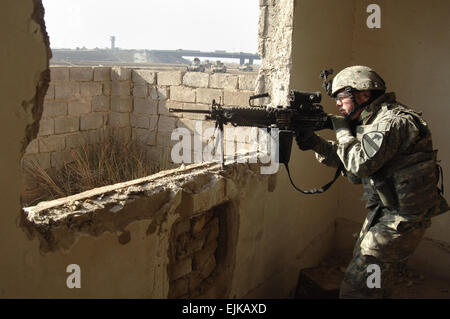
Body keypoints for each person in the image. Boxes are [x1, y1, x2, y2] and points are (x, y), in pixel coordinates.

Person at [296, 65, 449, 298]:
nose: (338, 104)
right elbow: (357, 171)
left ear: (364, 95)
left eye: (341, 97)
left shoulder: (391, 122)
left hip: (401, 219)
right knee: (372, 283)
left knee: (359, 289)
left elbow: (359, 165)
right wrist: (317, 144)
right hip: (386, 213)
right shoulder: (373, 120)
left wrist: (341, 130)